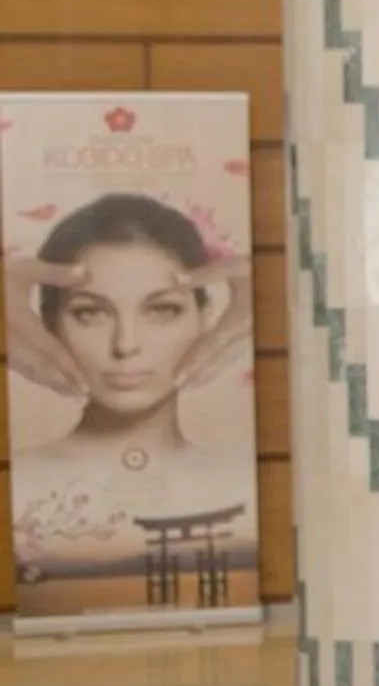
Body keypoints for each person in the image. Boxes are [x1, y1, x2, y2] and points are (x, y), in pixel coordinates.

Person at [6, 194, 254, 578]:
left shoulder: (245, 480)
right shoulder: (16, 482)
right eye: (91, 313)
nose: (126, 345)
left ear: (205, 318)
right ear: (49, 324)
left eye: (162, 310)